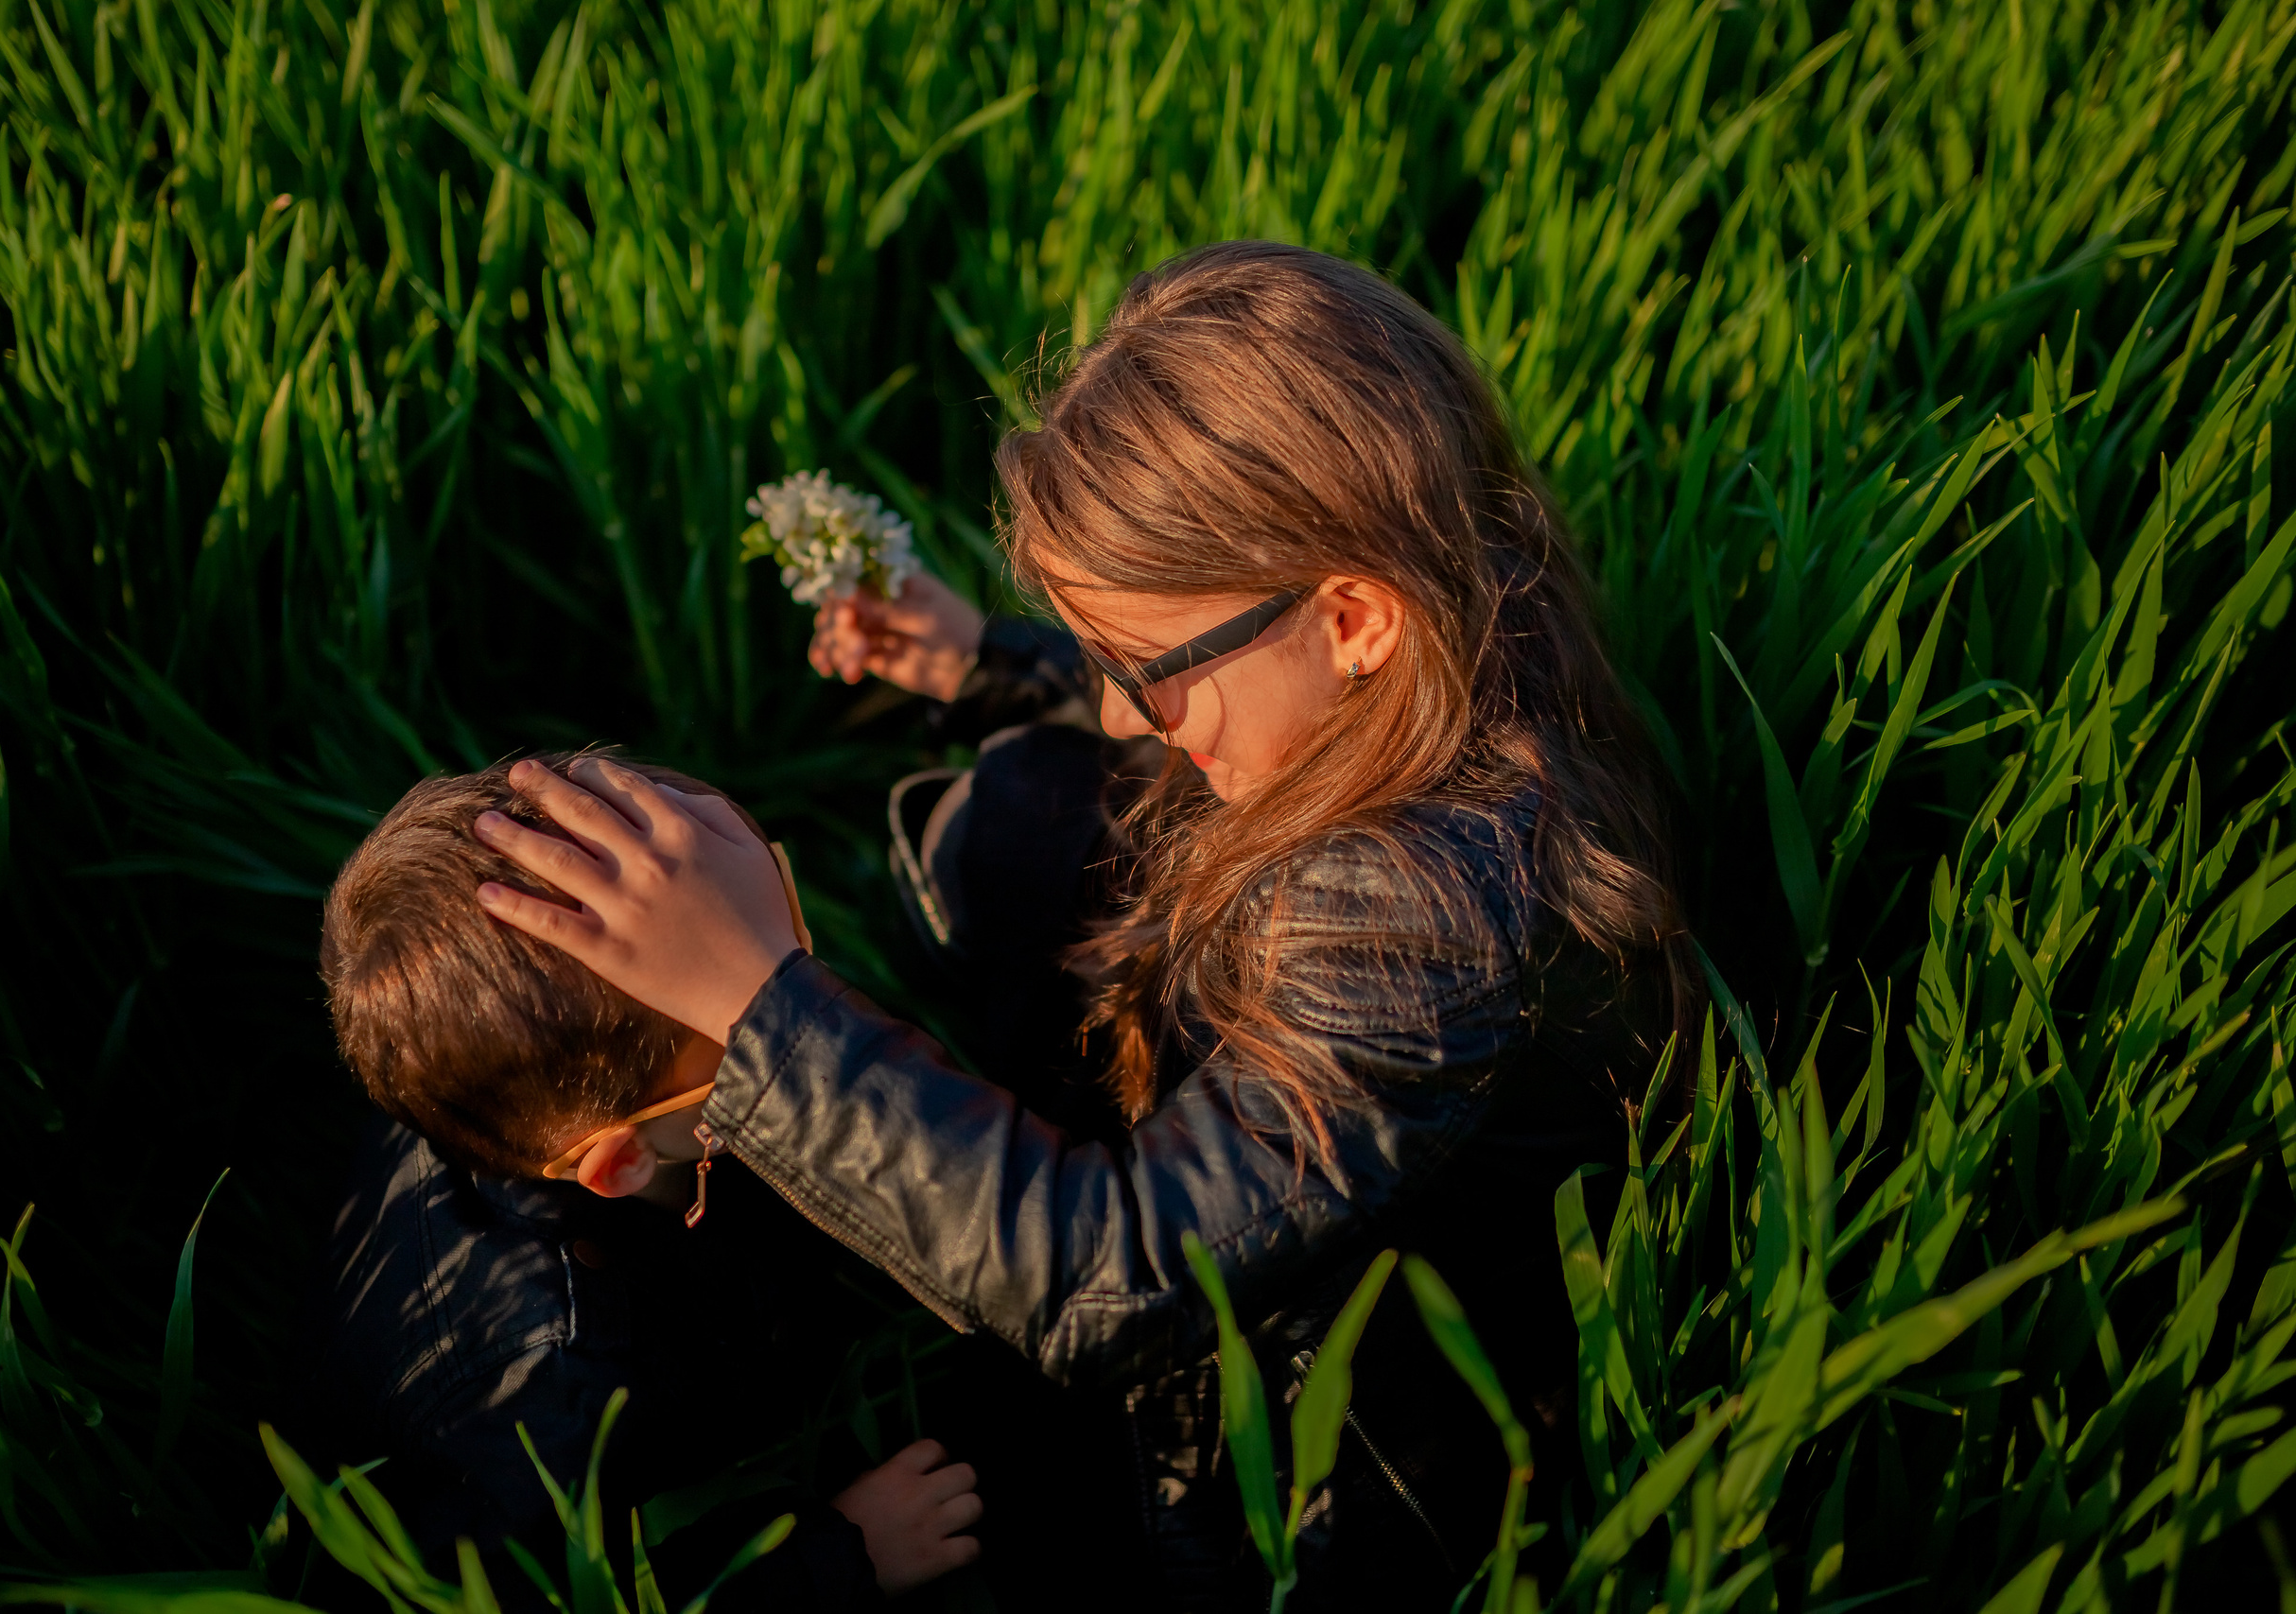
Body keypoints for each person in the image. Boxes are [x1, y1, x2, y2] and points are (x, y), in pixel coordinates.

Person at [470, 243, 1692, 1608]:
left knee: (1049, 820)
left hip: (1308, 1463)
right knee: (1049, 790)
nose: (1120, 707)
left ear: (1351, 616)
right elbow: (1219, 666)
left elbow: (1108, 1275)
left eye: (1141, 671)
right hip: (1278, 1234)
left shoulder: (1427, 918)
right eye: (1092, 653)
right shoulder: (1451, 638)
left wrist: (760, 1006)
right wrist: (983, 663)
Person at [288, 753, 983, 1610]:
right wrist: (836, 1554)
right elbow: (552, 1600)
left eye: (776, 917)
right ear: (618, 1162)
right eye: (750, 1013)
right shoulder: (539, 1394)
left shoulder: (509, 1083)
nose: (800, 996)